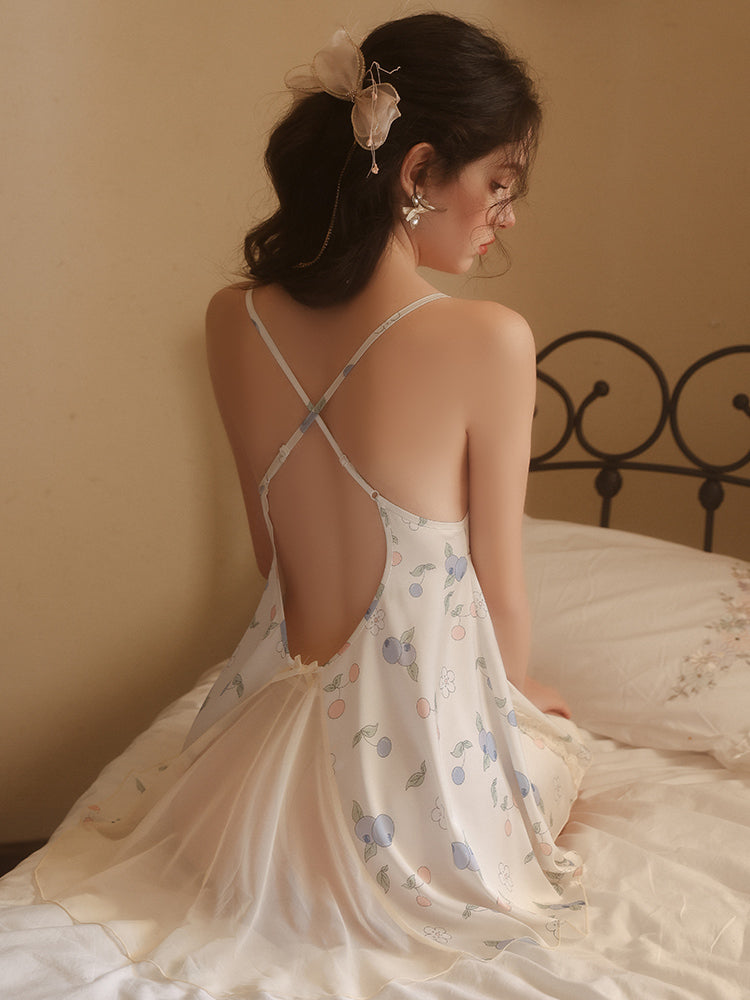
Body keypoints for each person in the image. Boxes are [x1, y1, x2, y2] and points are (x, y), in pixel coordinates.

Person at [24, 14, 590, 999]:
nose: (509, 216)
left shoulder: (232, 316)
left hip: (249, 758)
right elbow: (499, 592)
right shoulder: (489, 340)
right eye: (499, 184)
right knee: (565, 763)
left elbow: (269, 554)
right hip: (402, 785)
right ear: (418, 171)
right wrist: (517, 701)